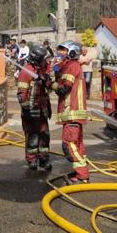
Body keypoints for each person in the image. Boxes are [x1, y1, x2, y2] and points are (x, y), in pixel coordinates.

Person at [50, 41, 90, 183]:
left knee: (69, 144)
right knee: (77, 145)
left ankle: (82, 175)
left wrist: (50, 84)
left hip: (71, 111)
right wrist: (56, 70)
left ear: (72, 52)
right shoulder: (71, 66)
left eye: (63, 50)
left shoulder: (71, 66)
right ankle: (81, 173)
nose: (60, 53)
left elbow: (63, 89)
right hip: (74, 114)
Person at [16, 44, 52, 171]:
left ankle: (44, 159)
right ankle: (32, 160)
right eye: (43, 59)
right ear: (37, 59)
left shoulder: (40, 71)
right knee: (32, 137)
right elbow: (21, 94)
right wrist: (27, 111)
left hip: (42, 111)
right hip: (31, 111)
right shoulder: (26, 72)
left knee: (44, 136)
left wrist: (47, 80)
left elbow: (46, 88)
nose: (45, 61)